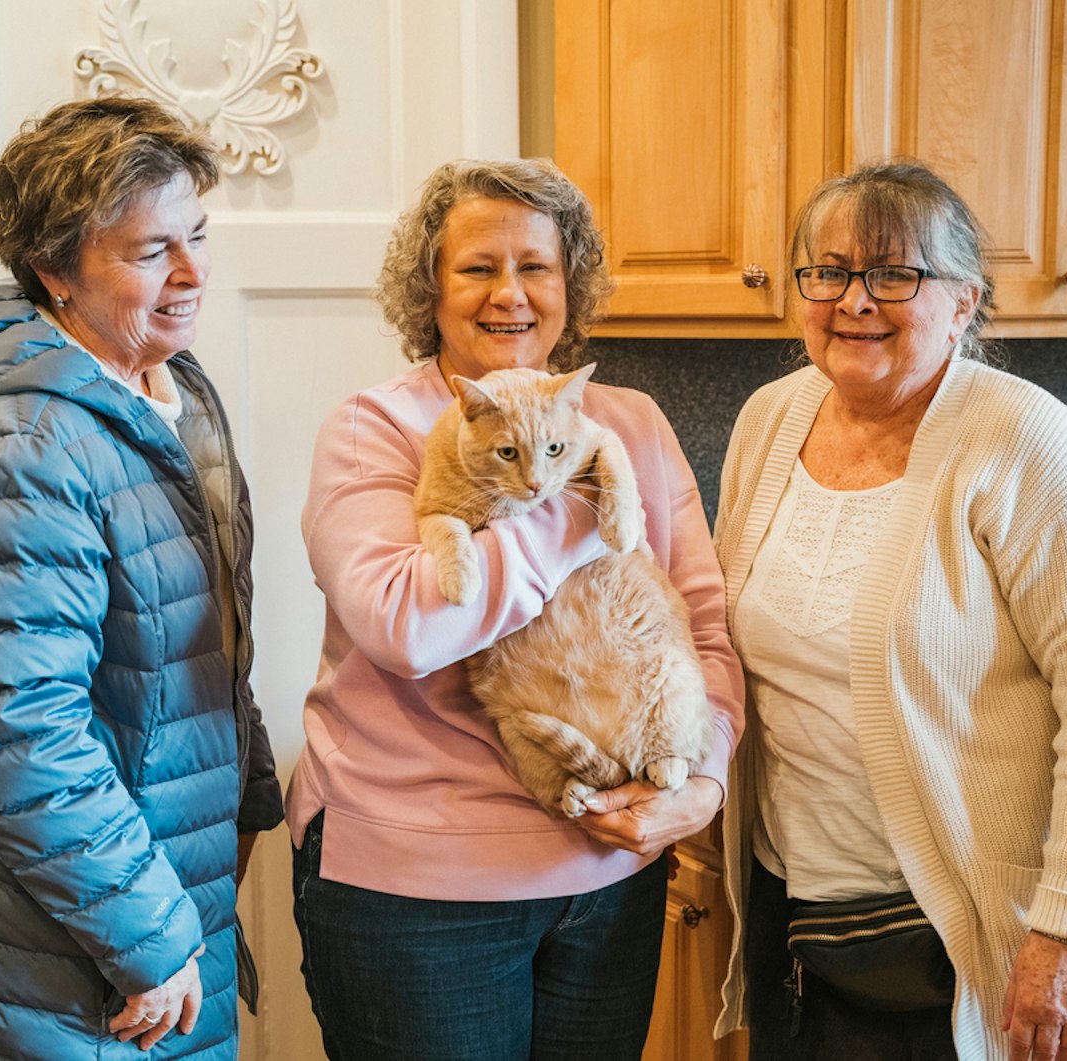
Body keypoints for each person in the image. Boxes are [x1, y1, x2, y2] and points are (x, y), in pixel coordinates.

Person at [0, 97, 283, 1059]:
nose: (194, 275)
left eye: (197, 235)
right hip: (31, 960)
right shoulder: (29, 444)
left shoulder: (170, 388)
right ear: (55, 271)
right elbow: (14, 727)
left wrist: (246, 800)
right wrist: (151, 931)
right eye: (150, 250)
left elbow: (205, 641)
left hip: (128, 897)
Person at [711, 161, 1067, 1061]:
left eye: (895, 275)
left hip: (975, 935)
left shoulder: (1030, 442)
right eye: (831, 271)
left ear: (963, 302)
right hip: (800, 917)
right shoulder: (769, 419)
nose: (855, 301)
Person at [288, 158, 746, 1060]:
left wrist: (703, 780)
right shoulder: (373, 427)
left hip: (611, 873)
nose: (511, 294)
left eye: (536, 266)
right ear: (431, 288)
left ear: (570, 285)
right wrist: (569, 495)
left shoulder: (632, 423)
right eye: (478, 268)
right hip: (416, 891)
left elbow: (701, 623)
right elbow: (409, 627)